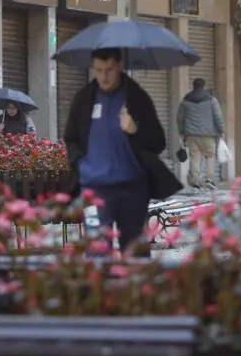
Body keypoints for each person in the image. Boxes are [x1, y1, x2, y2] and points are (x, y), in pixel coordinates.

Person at [64, 48, 167, 254]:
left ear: (119, 67)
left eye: (109, 69)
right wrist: (80, 165)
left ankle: (135, 285)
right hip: (93, 189)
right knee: (96, 245)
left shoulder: (137, 98)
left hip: (132, 189)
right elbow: (70, 138)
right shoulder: (84, 99)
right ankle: (100, 285)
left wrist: (136, 130)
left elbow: (158, 142)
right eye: (98, 70)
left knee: (134, 247)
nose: (103, 76)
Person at [177, 77, 225, 191]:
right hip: (208, 134)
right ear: (203, 86)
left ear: (193, 86)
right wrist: (221, 130)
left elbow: (180, 118)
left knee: (195, 158)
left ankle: (195, 182)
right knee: (210, 156)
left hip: (191, 135)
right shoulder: (211, 100)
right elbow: (217, 116)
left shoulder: (186, 100)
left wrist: (182, 133)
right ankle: (209, 179)